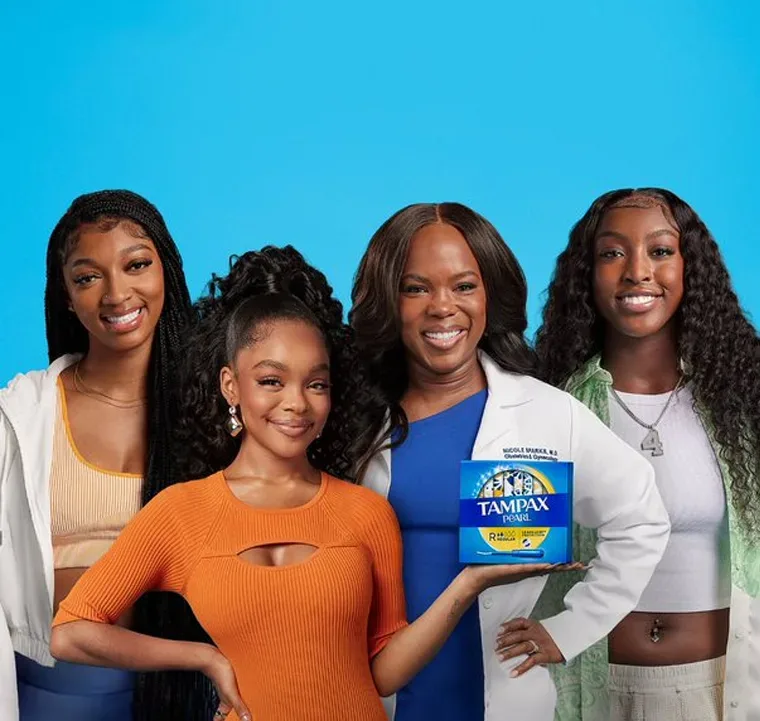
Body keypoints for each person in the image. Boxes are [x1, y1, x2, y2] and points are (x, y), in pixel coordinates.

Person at [48, 245, 574, 721]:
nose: (296, 403)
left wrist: (470, 583)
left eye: (316, 383)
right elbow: (71, 631)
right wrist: (202, 658)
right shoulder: (180, 512)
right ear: (231, 385)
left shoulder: (364, 512)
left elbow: (384, 673)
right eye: (271, 381)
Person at [349, 202, 672, 721]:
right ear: (388, 299)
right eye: (416, 288)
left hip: (501, 698)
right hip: (375, 696)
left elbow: (642, 517)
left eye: (464, 286)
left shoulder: (546, 413)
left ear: (490, 294)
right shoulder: (356, 423)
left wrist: (567, 630)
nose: (442, 307)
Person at [535, 187, 760, 721]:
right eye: (613, 253)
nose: (637, 271)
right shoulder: (552, 403)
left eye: (660, 251)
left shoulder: (742, 404)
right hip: (585, 689)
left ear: (690, 268)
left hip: (716, 687)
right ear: (586, 274)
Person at [0, 190, 212, 721]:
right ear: (66, 295)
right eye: (88, 276)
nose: (117, 294)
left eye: (136, 265)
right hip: (52, 693)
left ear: (167, 270)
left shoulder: (215, 407)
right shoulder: (21, 415)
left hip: (186, 692)